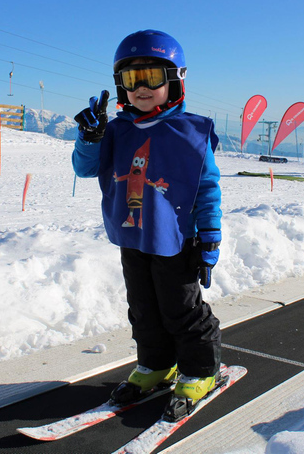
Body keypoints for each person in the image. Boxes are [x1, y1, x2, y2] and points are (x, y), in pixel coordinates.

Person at [71, 30, 223, 421]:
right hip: (133, 234)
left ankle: (200, 370)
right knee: (142, 307)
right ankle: (156, 364)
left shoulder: (191, 132)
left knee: (180, 309)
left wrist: (209, 236)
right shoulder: (117, 130)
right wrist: (90, 137)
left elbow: (207, 187)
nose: (141, 87)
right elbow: (85, 168)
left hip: (177, 238)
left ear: (174, 81)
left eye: (152, 76)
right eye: (131, 79)